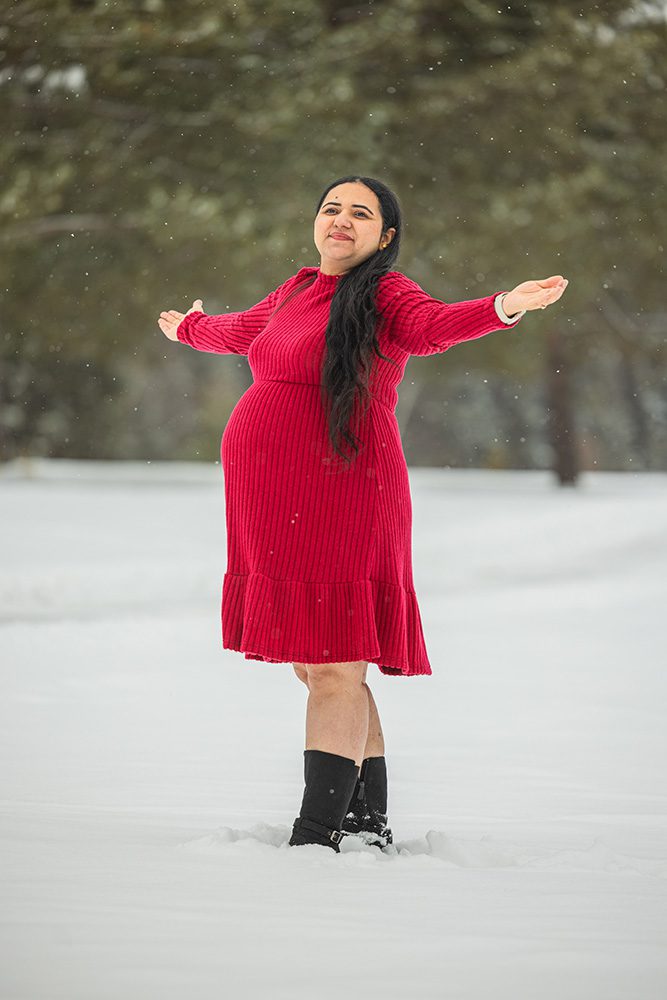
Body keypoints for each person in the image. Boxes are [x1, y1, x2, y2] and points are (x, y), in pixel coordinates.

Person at [158, 175, 568, 853]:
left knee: (334, 664)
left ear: (385, 236)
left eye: (359, 213)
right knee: (318, 660)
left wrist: (502, 306)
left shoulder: (385, 293)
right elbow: (238, 332)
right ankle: (362, 821)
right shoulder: (294, 291)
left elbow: (434, 327)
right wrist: (191, 327)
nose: (340, 220)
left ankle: (315, 838)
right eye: (330, 208)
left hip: (343, 488)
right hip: (272, 500)